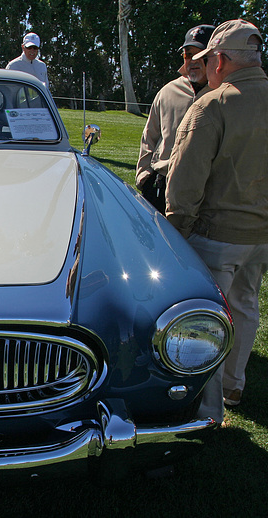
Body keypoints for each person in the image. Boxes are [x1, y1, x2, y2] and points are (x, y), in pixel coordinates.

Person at [166, 19, 268, 424]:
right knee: (246, 306)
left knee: (207, 323)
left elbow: (184, 181)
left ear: (220, 60)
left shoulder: (213, 105)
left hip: (217, 237)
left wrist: (176, 232)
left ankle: (208, 410)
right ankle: (234, 384)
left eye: (209, 59)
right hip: (261, 237)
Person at [136, 25, 214, 213]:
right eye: (187, 55)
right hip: (161, 186)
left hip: (206, 193)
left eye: (199, 55)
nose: (193, 61)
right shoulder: (168, 91)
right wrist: (144, 176)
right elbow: (150, 135)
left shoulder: (223, 94)